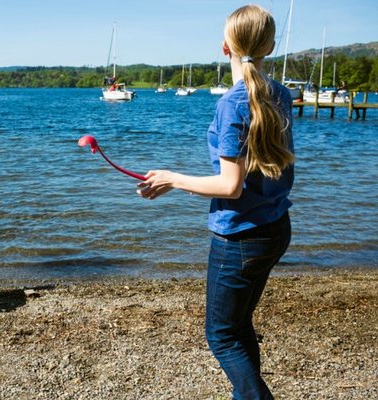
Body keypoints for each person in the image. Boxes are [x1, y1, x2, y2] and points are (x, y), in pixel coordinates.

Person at [137, 5, 294, 399]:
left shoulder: (233, 102)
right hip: (275, 229)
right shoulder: (280, 93)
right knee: (239, 327)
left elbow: (230, 187)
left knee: (222, 335)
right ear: (270, 47)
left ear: (225, 48)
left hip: (240, 239)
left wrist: (173, 178)